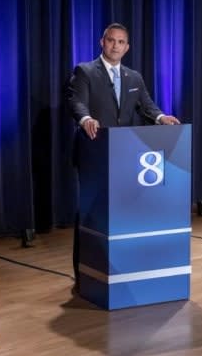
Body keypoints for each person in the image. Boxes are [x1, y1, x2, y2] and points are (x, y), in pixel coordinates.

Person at [67, 22, 180, 291]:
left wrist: (162, 117)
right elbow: (76, 102)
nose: (115, 46)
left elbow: (147, 105)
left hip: (127, 154)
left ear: (127, 47)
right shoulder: (84, 71)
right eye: (111, 40)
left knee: (122, 212)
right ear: (101, 42)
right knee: (91, 213)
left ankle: (119, 269)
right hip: (95, 152)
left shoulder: (134, 77)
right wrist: (85, 119)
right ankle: (85, 272)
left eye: (120, 42)